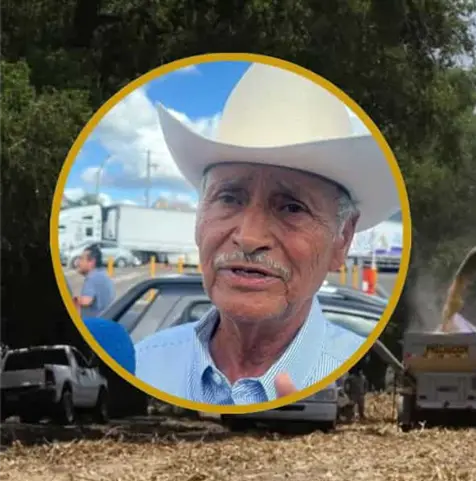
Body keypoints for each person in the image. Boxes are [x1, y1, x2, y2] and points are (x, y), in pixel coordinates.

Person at [134, 62, 400, 405]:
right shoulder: (145, 365)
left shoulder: (347, 375)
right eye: (229, 198)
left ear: (342, 239)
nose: (248, 237)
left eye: (291, 207)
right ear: (199, 218)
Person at [73, 245, 116, 318]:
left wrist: (73, 300)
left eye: (81, 259)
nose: (78, 263)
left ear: (92, 262)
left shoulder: (93, 277)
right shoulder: (102, 274)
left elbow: (86, 301)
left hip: (93, 325)